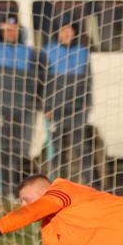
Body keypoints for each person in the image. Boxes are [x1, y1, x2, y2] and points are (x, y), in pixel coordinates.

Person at [0, 14, 43, 199]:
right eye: (7, 30)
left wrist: (34, 102)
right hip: (2, 110)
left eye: (14, 29)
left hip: (22, 110)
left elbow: (38, 79)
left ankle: (13, 190)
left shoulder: (28, 52)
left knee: (17, 151)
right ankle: (1, 190)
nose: (10, 33)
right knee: (1, 150)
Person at [42, 20, 93, 185]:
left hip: (77, 108)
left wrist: (87, 102)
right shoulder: (47, 52)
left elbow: (88, 79)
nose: (67, 34)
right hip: (55, 109)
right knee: (56, 149)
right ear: (58, 33)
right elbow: (42, 81)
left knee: (82, 148)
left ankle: (90, 184)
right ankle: (55, 183)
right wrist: (46, 107)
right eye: (64, 31)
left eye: (70, 31)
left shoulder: (82, 52)